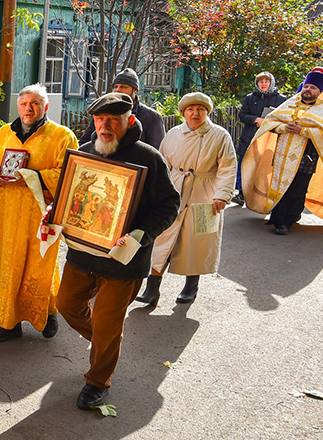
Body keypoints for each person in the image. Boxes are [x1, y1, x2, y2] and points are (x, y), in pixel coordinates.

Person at [54, 93, 179, 411]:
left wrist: (140, 234)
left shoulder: (149, 158)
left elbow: (169, 205)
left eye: (113, 120)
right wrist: (54, 215)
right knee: (66, 303)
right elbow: (68, 198)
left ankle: (97, 381)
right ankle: (103, 344)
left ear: (130, 121)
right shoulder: (83, 154)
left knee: (109, 323)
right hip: (83, 253)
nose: (105, 126)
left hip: (125, 261)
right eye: (99, 120)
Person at [0, 83, 75, 341]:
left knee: (39, 264)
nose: (28, 108)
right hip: (7, 212)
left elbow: (67, 173)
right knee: (8, 265)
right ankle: (9, 323)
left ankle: (46, 313)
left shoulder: (62, 136)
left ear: (46, 106)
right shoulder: (3, 134)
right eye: (23, 104)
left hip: (39, 212)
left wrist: (31, 177)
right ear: (17, 107)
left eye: (34, 103)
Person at [135, 92, 237, 307]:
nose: (195, 113)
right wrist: (155, 192)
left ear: (207, 112)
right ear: (183, 113)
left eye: (200, 109)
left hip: (205, 193)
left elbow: (228, 167)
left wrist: (222, 195)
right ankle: (152, 289)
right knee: (161, 238)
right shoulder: (173, 134)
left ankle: (191, 287)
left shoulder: (220, 136)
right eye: (190, 109)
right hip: (175, 187)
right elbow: (162, 163)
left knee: (197, 240)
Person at [242, 70, 323, 235]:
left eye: (312, 88)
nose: (308, 90)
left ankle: (287, 222)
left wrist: (303, 131)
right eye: (306, 86)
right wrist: (283, 127)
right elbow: (272, 122)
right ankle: (277, 218)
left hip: (307, 156)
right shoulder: (291, 103)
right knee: (279, 184)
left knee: (297, 189)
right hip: (283, 154)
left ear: (320, 91)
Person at [79, 67, 166, 150]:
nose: (118, 90)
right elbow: (85, 142)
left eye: (123, 87)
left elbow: (156, 149)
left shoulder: (151, 117)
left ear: (135, 90)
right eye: (116, 87)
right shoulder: (103, 112)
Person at [234, 72, 286, 206]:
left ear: (271, 83)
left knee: (265, 166)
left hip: (270, 137)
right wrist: (256, 119)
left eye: (266, 82)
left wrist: (267, 122)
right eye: (260, 82)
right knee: (245, 164)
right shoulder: (250, 98)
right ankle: (241, 193)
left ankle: (263, 196)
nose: (263, 84)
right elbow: (243, 115)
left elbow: (284, 118)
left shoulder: (281, 99)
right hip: (250, 136)